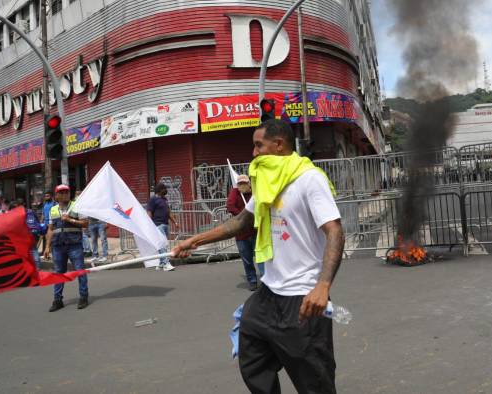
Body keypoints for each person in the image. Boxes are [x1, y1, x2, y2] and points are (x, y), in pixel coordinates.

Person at [173, 119, 345, 394]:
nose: (253, 153)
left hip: (302, 297)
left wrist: (323, 286)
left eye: (258, 145)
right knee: (251, 354)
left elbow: (334, 230)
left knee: (315, 380)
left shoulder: (309, 179)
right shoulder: (267, 182)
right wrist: (195, 240)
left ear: (278, 145)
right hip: (269, 293)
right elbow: (242, 221)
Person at [43, 184, 90, 311]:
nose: (64, 194)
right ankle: (57, 300)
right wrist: (47, 247)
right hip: (58, 246)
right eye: (61, 192)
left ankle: (83, 297)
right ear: (56, 195)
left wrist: (70, 219)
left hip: (74, 244)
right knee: (58, 273)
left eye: (67, 192)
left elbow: (85, 223)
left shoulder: (76, 206)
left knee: (80, 271)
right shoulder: (53, 210)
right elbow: (50, 229)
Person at [226, 174, 262, 291]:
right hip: (241, 233)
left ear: (249, 183)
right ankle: (252, 280)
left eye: (244, 183)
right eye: (240, 183)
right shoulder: (235, 192)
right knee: (246, 258)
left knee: (261, 257)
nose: (242, 185)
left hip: (256, 230)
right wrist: (243, 215)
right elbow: (230, 206)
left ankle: (266, 280)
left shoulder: (254, 192)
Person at [147, 183, 178, 271]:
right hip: (158, 224)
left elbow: (168, 212)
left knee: (163, 244)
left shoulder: (164, 199)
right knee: (162, 244)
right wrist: (149, 225)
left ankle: (161, 263)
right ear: (160, 190)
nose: (166, 190)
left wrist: (175, 222)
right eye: (164, 188)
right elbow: (149, 212)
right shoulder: (153, 200)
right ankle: (166, 264)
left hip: (165, 224)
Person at [10, 198, 45, 268]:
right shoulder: (31, 211)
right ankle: (37, 269)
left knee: (25, 251)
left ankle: (27, 268)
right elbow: (37, 222)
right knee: (34, 250)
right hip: (33, 233)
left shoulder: (18, 212)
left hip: (23, 234)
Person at [75, 190, 93, 257]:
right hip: (80, 220)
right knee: (82, 236)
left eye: (78, 194)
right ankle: (85, 250)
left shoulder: (83, 202)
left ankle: (88, 250)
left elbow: (84, 214)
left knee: (84, 236)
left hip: (83, 220)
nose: (76, 196)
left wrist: (84, 222)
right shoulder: (78, 202)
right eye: (76, 194)